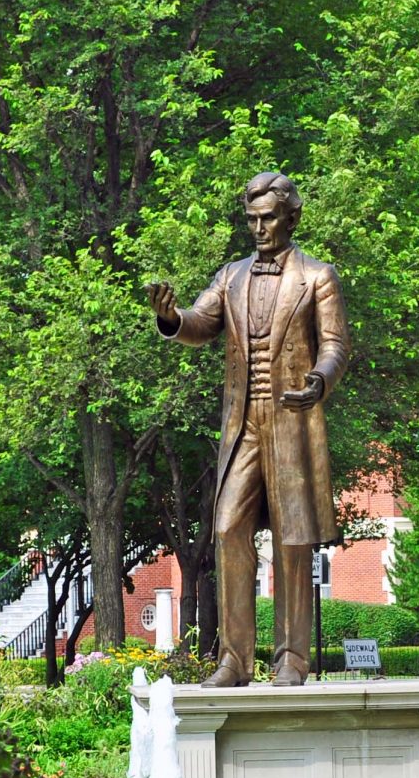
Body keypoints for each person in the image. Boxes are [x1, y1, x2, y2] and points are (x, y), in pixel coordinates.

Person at [147, 172, 349, 687]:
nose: (259, 228)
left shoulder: (317, 276)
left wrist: (320, 380)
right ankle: (234, 660)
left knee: (292, 540)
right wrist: (172, 319)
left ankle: (291, 659)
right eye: (252, 219)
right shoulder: (231, 276)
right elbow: (201, 322)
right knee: (227, 527)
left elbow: (335, 345)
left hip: (291, 422)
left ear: (291, 219)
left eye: (268, 218)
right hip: (244, 425)